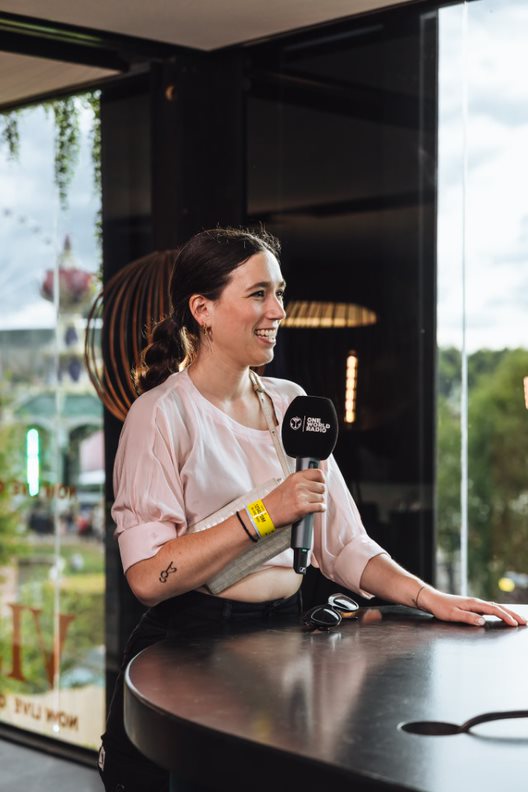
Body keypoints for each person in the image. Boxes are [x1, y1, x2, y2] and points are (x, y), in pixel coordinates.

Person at [98, 226, 526, 792]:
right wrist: (265, 513)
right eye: (258, 294)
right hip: (187, 647)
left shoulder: (290, 404)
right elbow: (150, 578)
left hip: (281, 637)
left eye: (279, 292)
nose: (278, 309)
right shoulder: (159, 416)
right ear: (202, 309)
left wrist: (432, 598)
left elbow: (345, 544)